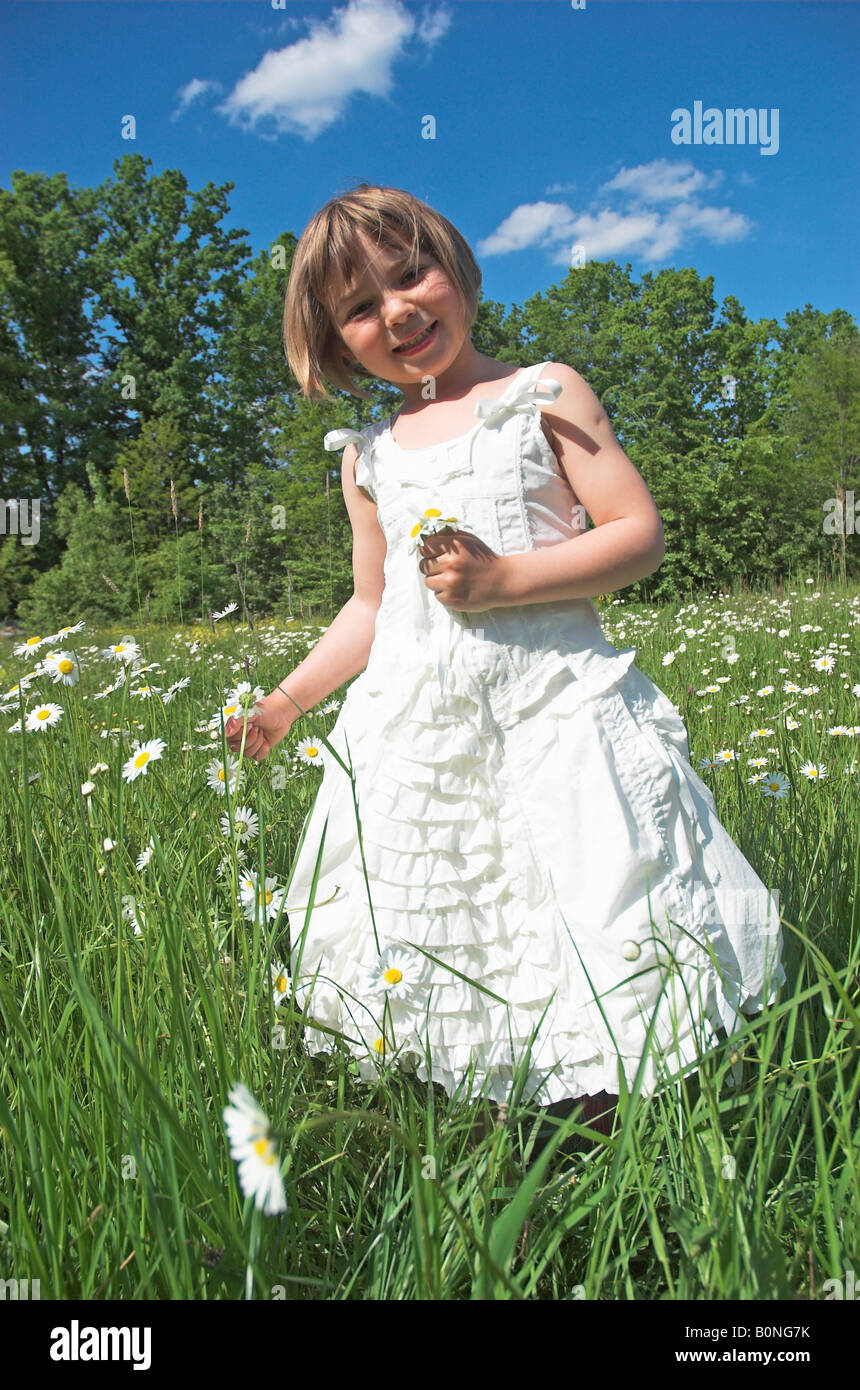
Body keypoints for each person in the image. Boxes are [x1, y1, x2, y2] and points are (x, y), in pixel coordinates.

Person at [224, 183, 784, 1143]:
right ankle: (480, 1098)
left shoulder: (542, 394)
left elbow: (637, 532)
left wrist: (505, 580)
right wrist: (282, 702)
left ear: (458, 271)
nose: (396, 311)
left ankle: (623, 1100)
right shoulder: (369, 459)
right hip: (417, 730)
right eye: (360, 307)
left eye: (412, 276)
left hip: (552, 706)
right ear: (334, 338)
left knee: (587, 885)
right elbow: (373, 603)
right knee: (445, 907)